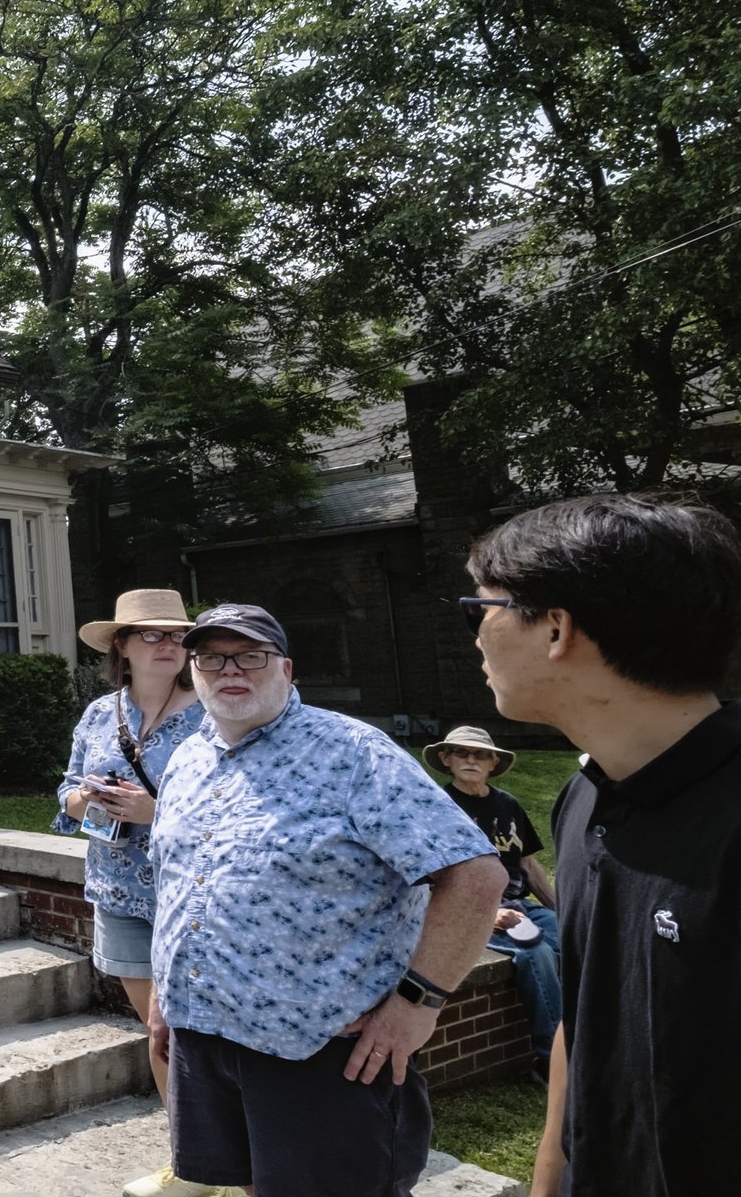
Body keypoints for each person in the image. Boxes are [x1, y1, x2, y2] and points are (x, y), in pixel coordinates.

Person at [145, 603, 507, 1197]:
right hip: (203, 1035)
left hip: (322, 1050)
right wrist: (165, 991)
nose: (229, 669)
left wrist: (418, 1002)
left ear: (285, 668)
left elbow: (475, 877)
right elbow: (181, 877)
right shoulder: (187, 758)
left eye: (250, 656)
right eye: (211, 657)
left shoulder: (353, 754)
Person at [463, 492, 741, 1197]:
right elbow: (582, 1020)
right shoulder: (585, 797)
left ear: (556, 628)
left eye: (480, 611)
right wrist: (548, 1178)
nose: (474, 638)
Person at [53, 588, 212, 1197]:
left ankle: (222, 1154)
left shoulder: (213, 713)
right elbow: (65, 793)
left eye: (177, 635)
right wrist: (86, 798)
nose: (169, 644)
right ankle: (190, 1160)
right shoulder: (99, 715)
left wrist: (157, 809)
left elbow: (242, 804)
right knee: (157, 1031)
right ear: (121, 646)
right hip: (120, 892)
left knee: (189, 1031)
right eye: (153, 634)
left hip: (192, 897)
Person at [422, 725, 561, 1069]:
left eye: (480, 754)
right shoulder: (438, 809)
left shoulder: (508, 805)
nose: (471, 759)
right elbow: (427, 876)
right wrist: (487, 913)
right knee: (537, 953)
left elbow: (528, 865)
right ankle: (552, 1060)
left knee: (580, 938)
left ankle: (589, 1035)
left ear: (493, 763)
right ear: (446, 759)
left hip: (520, 903)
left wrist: (566, 910)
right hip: (469, 909)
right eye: (461, 753)